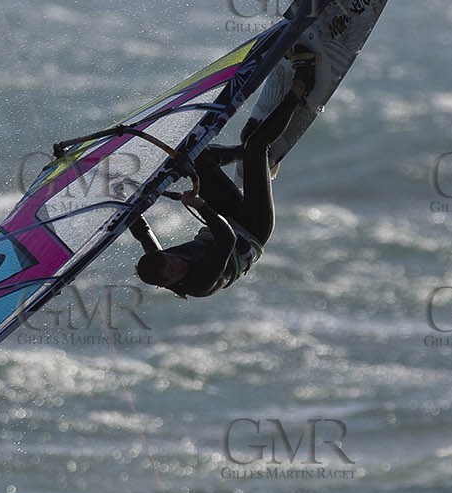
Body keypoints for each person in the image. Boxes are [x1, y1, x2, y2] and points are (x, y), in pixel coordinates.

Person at [128, 38, 318, 300]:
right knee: (256, 145)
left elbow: (142, 233)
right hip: (252, 229)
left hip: (229, 218)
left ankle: (249, 158)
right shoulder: (199, 284)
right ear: (168, 283)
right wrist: (200, 206)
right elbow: (226, 240)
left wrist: (125, 203)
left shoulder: (159, 261)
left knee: (197, 157)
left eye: (170, 258)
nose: (177, 263)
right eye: (173, 270)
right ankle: (302, 83)